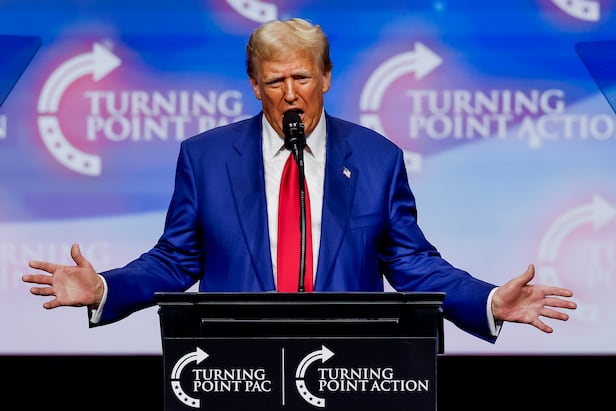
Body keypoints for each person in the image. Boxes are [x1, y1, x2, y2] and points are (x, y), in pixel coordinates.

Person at [22, 17, 576, 343]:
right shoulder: (205, 158)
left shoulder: (377, 159)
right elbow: (174, 260)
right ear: (254, 86)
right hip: (235, 373)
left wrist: (487, 301)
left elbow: (413, 263)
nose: (290, 94)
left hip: (350, 371)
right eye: (275, 81)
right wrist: (105, 289)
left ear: (327, 77)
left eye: (302, 78)